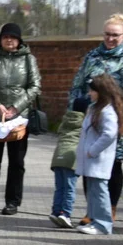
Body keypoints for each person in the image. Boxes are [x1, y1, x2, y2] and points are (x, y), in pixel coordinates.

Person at [68, 13, 123, 223]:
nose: (111, 39)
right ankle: (91, 211)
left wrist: (120, 114)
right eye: (107, 34)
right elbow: (77, 85)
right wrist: (75, 109)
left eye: (115, 35)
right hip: (91, 118)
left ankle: (110, 209)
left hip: (117, 119)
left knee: (114, 166)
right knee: (90, 165)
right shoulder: (92, 56)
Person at [0, 23, 41, 215]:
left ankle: (12, 202)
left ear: (20, 40)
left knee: (17, 162)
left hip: (19, 120)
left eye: (13, 37)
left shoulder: (29, 60)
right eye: (5, 37)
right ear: (0, 40)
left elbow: (35, 86)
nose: (9, 40)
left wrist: (16, 106)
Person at [75, 75, 123, 235]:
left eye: (92, 91)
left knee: (100, 191)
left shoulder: (107, 111)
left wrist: (93, 150)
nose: (90, 93)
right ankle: (94, 220)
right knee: (93, 191)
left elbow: (109, 134)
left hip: (98, 159)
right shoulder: (95, 108)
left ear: (101, 92)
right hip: (91, 160)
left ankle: (103, 224)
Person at [48, 98, 88, 229]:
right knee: (70, 188)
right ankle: (65, 214)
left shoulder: (65, 119)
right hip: (71, 157)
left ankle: (55, 212)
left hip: (58, 156)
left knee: (60, 187)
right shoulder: (85, 122)